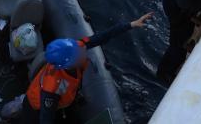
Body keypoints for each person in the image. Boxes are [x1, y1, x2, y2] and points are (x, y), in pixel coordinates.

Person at [20, 12, 153, 123]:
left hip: (62, 101)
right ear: (66, 65)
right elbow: (46, 118)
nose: (82, 51)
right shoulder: (52, 89)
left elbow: (102, 36)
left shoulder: (77, 48)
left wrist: (131, 24)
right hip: (35, 109)